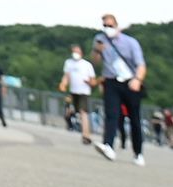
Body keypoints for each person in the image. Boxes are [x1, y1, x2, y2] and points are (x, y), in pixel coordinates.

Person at [92, 13, 148, 165]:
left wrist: (137, 79)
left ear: (117, 26)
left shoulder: (130, 42)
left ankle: (138, 152)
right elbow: (95, 63)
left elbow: (141, 65)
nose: (107, 29)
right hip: (111, 81)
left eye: (110, 26)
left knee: (134, 119)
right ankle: (108, 146)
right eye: (105, 26)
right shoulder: (99, 39)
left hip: (130, 82)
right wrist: (97, 50)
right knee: (111, 114)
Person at [58, 43, 96, 145]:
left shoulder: (87, 65)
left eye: (77, 51)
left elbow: (93, 81)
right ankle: (70, 124)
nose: (75, 54)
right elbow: (66, 76)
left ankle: (86, 135)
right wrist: (63, 83)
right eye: (74, 51)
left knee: (83, 112)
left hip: (83, 92)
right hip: (73, 91)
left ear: (81, 53)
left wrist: (89, 82)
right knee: (70, 110)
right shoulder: (69, 63)